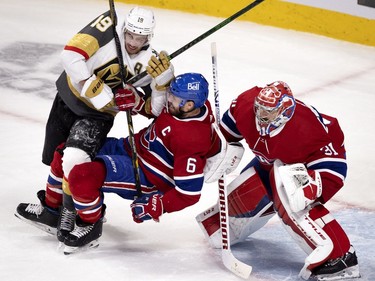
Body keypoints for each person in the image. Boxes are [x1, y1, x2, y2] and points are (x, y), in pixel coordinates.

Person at [15, 6, 171, 243]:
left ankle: (73, 213)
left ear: (149, 37)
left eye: (140, 37)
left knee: (74, 160)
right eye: (130, 34)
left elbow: (155, 109)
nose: (133, 42)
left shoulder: (151, 62)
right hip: (67, 98)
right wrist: (89, 82)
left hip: (97, 116)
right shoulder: (106, 29)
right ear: (124, 29)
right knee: (55, 156)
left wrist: (145, 95)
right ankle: (52, 210)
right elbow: (69, 54)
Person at [196, 81, 360, 280]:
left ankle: (340, 257)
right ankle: (231, 225)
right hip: (271, 163)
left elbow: (335, 165)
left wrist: (314, 186)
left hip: (309, 167)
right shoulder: (245, 105)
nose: (261, 115)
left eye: (268, 111)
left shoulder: (309, 127)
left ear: (284, 110)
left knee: (291, 192)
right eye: (259, 108)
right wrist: (219, 151)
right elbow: (225, 134)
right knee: (248, 190)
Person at [56, 71, 225, 254]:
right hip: (131, 147)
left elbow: (189, 193)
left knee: (82, 176)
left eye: (174, 97)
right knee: (67, 151)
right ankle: (54, 208)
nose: (169, 99)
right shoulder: (190, 106)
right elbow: (155, 110)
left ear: (189, 104)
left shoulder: (191, 140)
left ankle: (90, 224)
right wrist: (137, 101)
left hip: (145, 173)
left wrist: (160, 205)